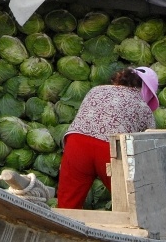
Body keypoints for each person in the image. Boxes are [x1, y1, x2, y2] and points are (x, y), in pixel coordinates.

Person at [57, 67, 157, 209]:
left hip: (76, 141)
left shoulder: (96, 90)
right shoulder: (144, 109)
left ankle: (62, 229)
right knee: (129, 202)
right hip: (109, 149)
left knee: (68, 202)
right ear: (146, 91)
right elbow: (147, 146)